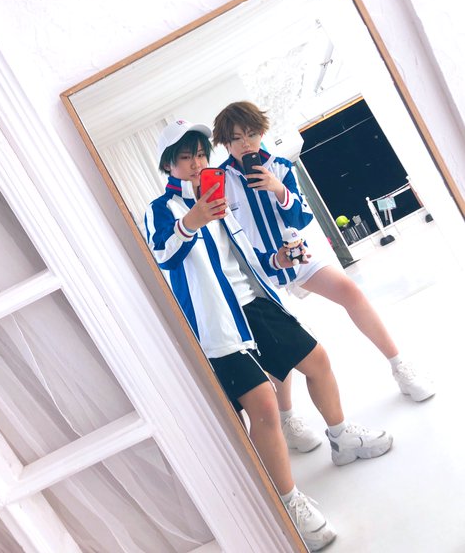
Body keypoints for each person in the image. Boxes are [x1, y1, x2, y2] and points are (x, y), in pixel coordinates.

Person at [145, 119, 394, 552]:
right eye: (186, 157)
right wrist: (191, 221)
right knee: (262, 403)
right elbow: (162, 256)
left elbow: (244, 252)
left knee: (318, 361)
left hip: (254, 302)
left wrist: (277, 259)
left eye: (201, 154)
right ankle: (288, 503)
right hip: (215, 321)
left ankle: (342, 438)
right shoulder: (160, 209)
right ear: (169, 164)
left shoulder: (219, 194)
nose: (197, 163)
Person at [213, 101, 435, 451]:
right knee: (283, 343)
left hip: (297, 257)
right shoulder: (220, 182)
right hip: (259, 275)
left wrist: (277, 189)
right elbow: (227, 238)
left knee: (350, 291)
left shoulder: (280, 167)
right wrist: (270, 261)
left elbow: (302, 218)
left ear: (262, 132)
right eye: (236, 138)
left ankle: (400, 367)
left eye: (251, 134)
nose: (245, 143)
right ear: (225, 142)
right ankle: (288, 419)